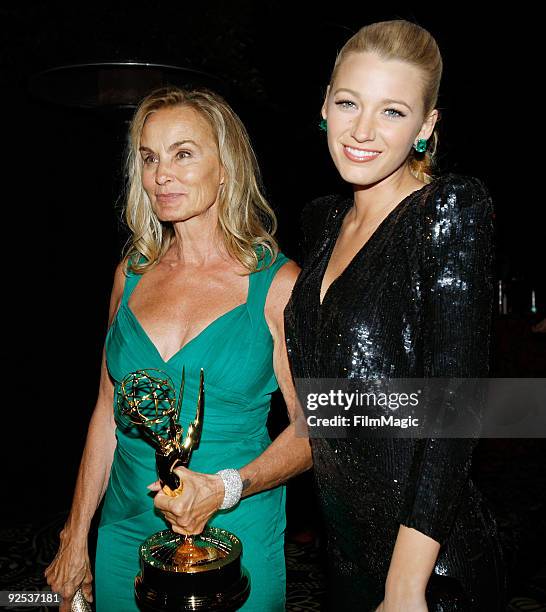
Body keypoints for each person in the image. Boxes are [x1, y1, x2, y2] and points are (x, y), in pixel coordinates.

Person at [45, 87, 312, 611]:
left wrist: (223, 489)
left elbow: (314, 430)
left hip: (232, 529)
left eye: (183, 153)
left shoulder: (277, 285)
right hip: (127, 532)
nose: (160, 174)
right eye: (149, 158)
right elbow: (106, 414)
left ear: (226, 167)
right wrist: (76, 537)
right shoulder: (131, 276)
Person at [283, 19, 506, 611]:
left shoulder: (449, 210)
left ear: (426, 127)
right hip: (346, 555)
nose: (362, 131)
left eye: (392, 112)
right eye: (349, 102)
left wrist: (405, 586)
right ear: (324, 106)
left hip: (429, 571)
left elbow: (458, 407)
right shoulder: (321, 221)